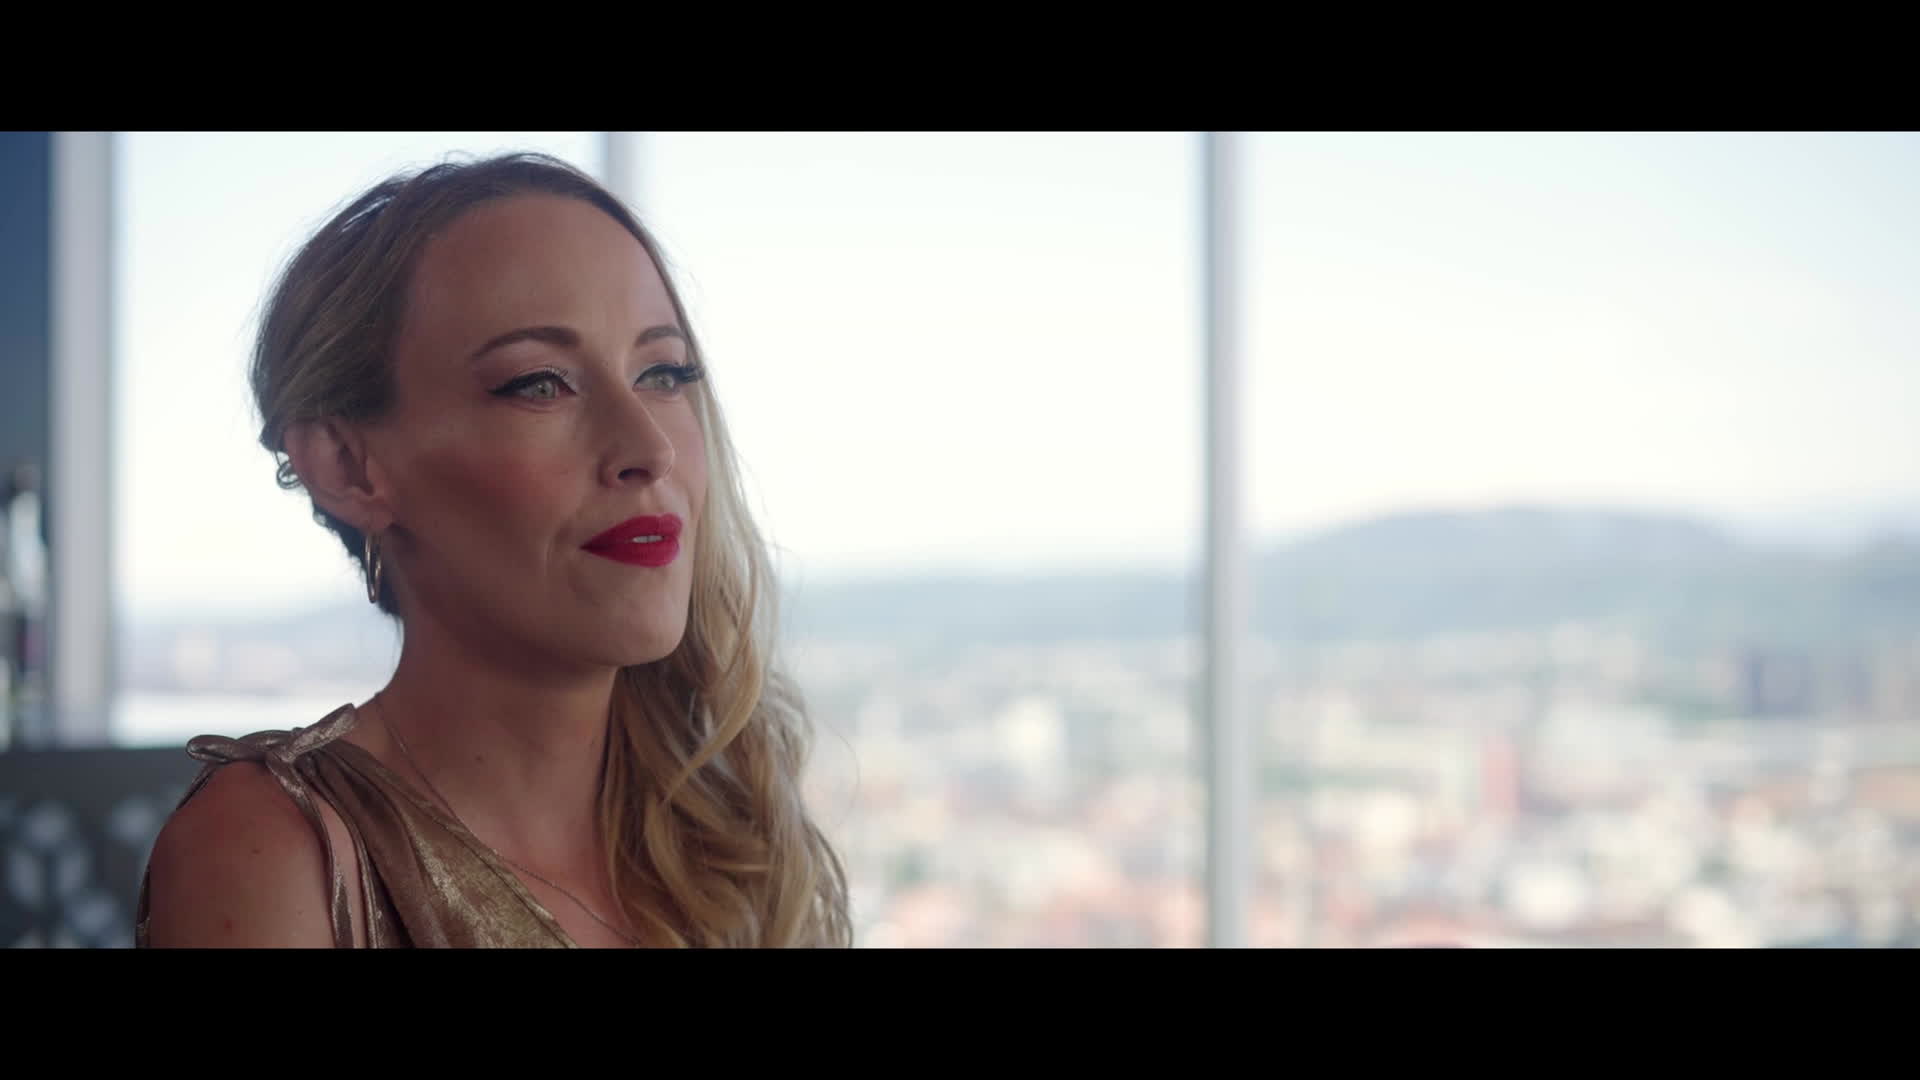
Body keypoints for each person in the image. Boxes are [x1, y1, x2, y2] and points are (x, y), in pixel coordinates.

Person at [135, 152, 851, 947]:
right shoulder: (275, 852)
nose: (650, 447)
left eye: (664, 373)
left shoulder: (731, 838)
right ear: (347, 466)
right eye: (540, 383)